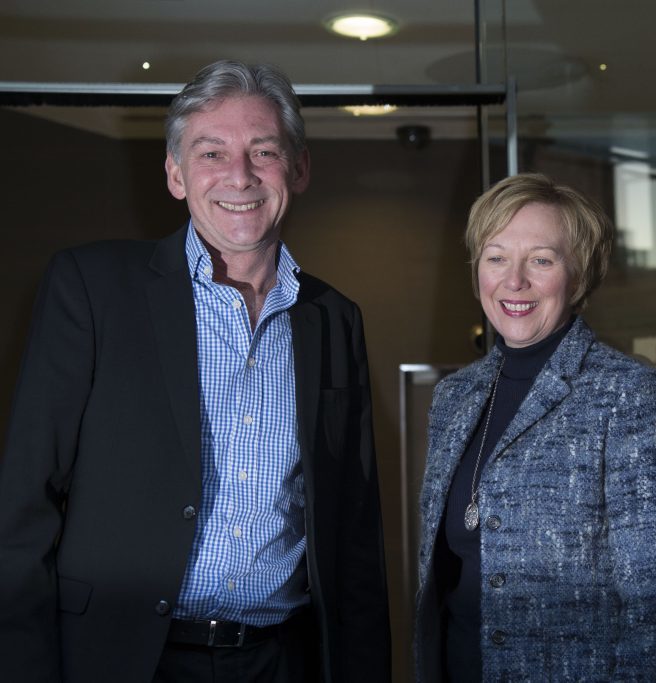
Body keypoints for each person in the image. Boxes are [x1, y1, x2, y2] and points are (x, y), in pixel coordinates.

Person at [0, 60, 390, 682]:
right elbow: (22, 504)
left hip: (282, 661)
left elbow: (354, 534)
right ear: (176, 176)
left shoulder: (335, 318)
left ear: (299, 168)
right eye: (211, 153)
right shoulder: (92, 288)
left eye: (263, 151)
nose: (239, 176)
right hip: (120, 658)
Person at [414, 173, 656, 681]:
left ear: (579, 274)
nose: (513, 281)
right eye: (497, 257)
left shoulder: (627, 394)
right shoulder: (455, 397)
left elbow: (655, 601)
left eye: (541, 260)